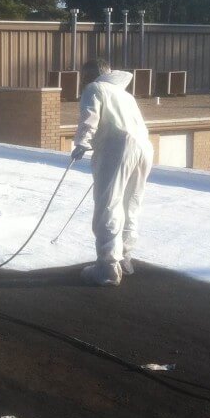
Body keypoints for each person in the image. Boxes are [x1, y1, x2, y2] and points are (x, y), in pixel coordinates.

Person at [71, 59, 153, 286]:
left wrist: (82, 143)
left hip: (117, 147)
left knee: (108, 204)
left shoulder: (94, 89)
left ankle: (107, 268)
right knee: (131, 203)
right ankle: (125, 257)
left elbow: (90, 118)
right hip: (144, 147)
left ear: (89, 75)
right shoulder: (125, 95)